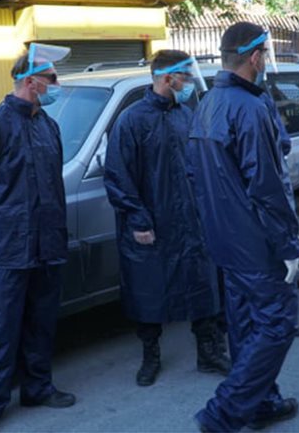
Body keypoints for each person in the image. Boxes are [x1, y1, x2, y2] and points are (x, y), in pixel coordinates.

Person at [0, 44, 76, 433]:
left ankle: (38, 388)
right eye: (52, 77)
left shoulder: (48, 125)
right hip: (7, 250)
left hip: (46, 245)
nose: (57, 83)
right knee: (0, 329)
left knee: (41, 322)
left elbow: (53, 185)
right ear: (31, 81)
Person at [188, 22, 299, 432]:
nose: (266, 61)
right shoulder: (249, 107)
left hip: (225, 238)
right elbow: (267, 186)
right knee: (277, 321)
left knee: (245, 323)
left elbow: (195, 176)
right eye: (265, 54)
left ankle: (261, 403)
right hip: (254, 240)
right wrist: (288, 245)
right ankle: (223, 413)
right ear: (254, 57)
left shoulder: (208, 103)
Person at [104, 49, 229, 387]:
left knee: (202, 285)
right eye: (185, 76)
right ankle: (150, 355)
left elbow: (202, 166)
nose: (189, 83)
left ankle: (208, 352)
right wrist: (138, 220)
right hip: (153, 222)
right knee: (148, 291)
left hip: (191, 221)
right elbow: (118, 175)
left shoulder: (187, 115)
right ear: (167, 78)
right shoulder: (132, 120)